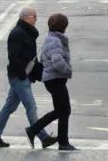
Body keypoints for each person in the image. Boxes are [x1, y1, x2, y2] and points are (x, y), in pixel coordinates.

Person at [0, 7, 52, 147]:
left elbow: (28, 56)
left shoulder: (26, 32)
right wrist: (21, 74)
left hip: (22, 75)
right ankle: (43, 137)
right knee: (31, 107)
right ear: (25, 18)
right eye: (34, 16)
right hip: (19, 76)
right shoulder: (18, 33)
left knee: (9, 107)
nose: (36, 19)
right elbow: (13, 56)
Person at [25, 13, 77, 151]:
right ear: (62, 26)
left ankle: (34, 130)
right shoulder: (55, 41)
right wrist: (68, 71)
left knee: (61, 110)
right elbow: (57, 61)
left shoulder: (52, 38)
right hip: (55, 79)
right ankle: (63, 142)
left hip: (52, 79)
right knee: (64, 110)